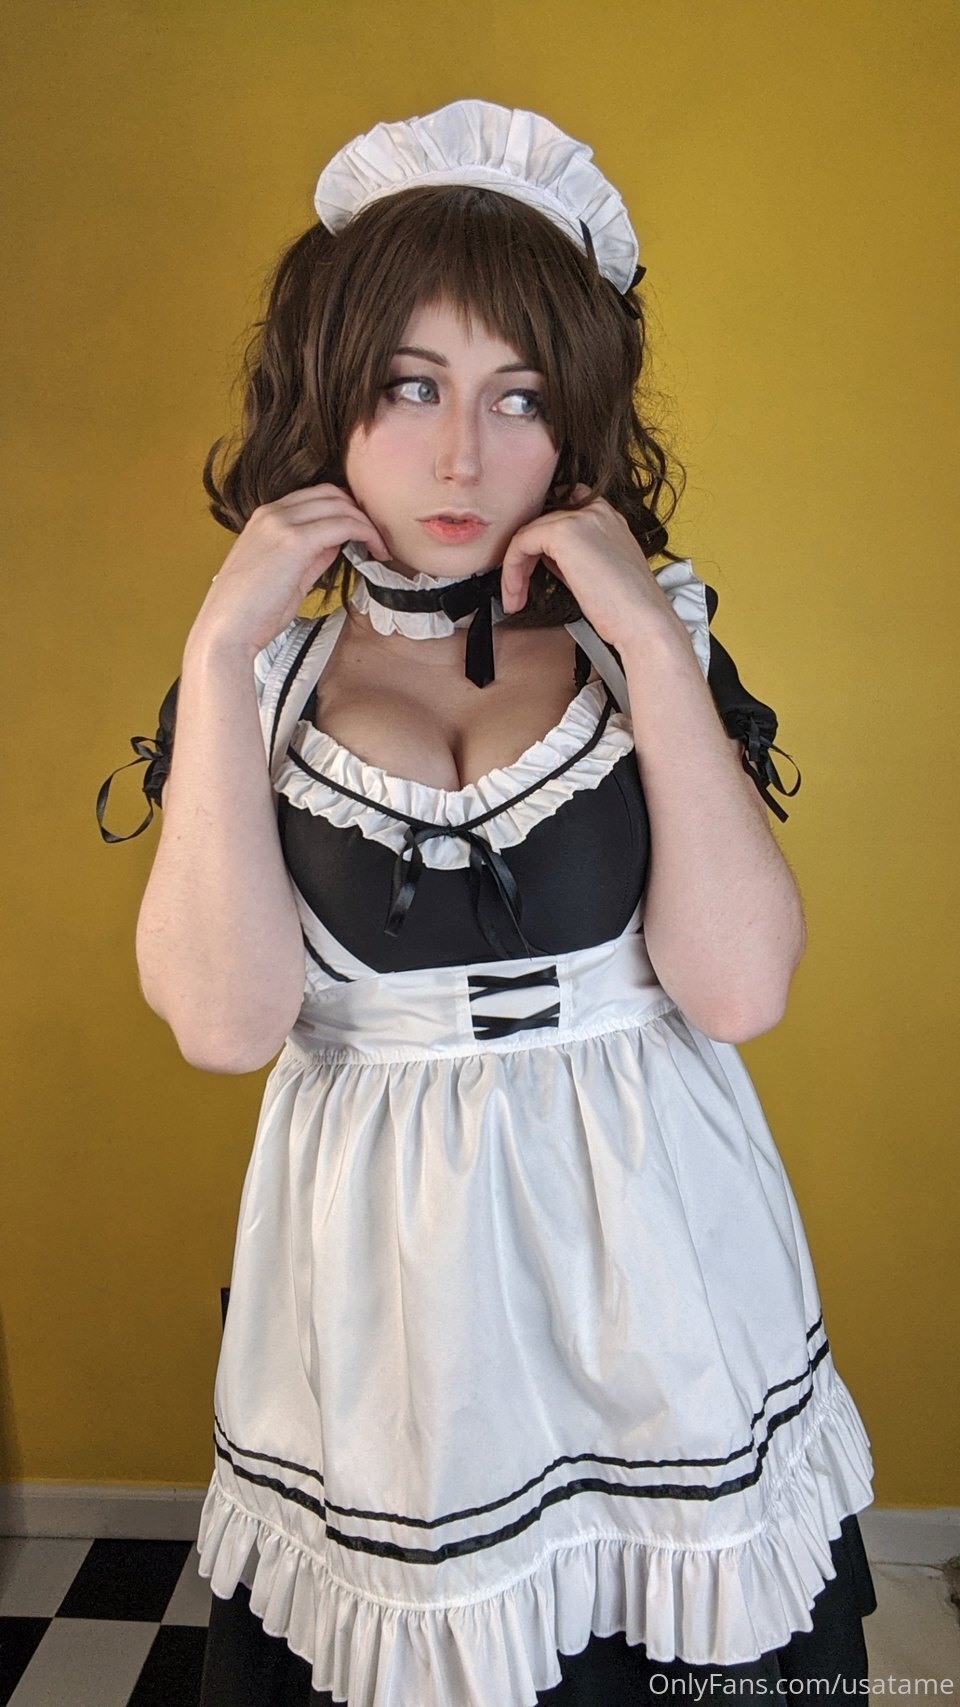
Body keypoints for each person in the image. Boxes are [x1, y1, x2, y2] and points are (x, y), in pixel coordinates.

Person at [98, 100, 878, 1707]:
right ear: (329, 392)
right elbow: (228, 1024)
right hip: (388, 1290)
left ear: (574, 421)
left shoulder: (644, 649)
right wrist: (216, 649)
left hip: (659, 1260)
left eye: (520, 396)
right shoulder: (265, 679)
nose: (463, 456)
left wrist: (647, 639)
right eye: (412, 387)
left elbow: (739, 990)